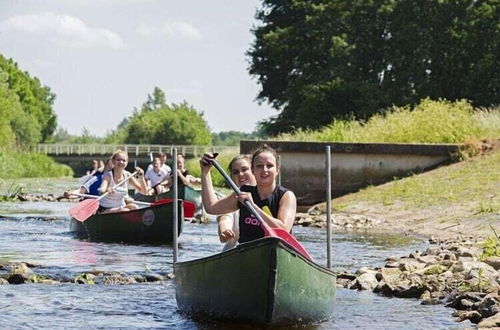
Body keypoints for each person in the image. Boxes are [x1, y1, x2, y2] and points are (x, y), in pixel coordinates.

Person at [200, 144, 297, 244]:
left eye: (269, 166)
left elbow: (283, 230)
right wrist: (205, 172)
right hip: (246, 251)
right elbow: (211, 207)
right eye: (259, 166)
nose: (264, 170)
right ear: (253, 170)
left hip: (276, 247)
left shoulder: (286, 196)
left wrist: (254, 207)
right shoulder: (243, 193)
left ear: (277, 170)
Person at [98, 150, 148, 214]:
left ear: (126, 163)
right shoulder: (108, 175)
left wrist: (141, 177)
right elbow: (101, 190)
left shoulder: (127, 175)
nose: (121, 162)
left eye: (124, 160)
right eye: (118, 160)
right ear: (113, 161)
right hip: (106, 208)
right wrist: (106, 190)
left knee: (135, 207)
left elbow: (144, 192)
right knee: (125, 211)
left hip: (121, 207)